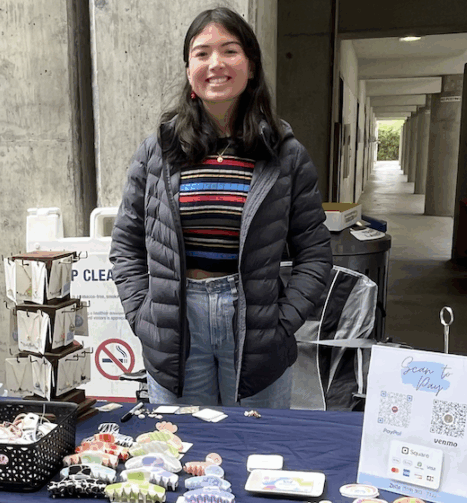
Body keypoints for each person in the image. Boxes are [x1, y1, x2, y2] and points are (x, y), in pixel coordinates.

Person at [110, 7, 332, 408]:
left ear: (250, 67)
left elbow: (315, 253)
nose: (216, 64)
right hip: (176, 326)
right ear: (189, 68)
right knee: (179, 453)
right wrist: (144, 318)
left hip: (255, 325)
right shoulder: (158, 151)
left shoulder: (285, 154)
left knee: (259, 453)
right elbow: (126, 245)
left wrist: (282, 324)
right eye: (202, 53)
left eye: (229, 51)